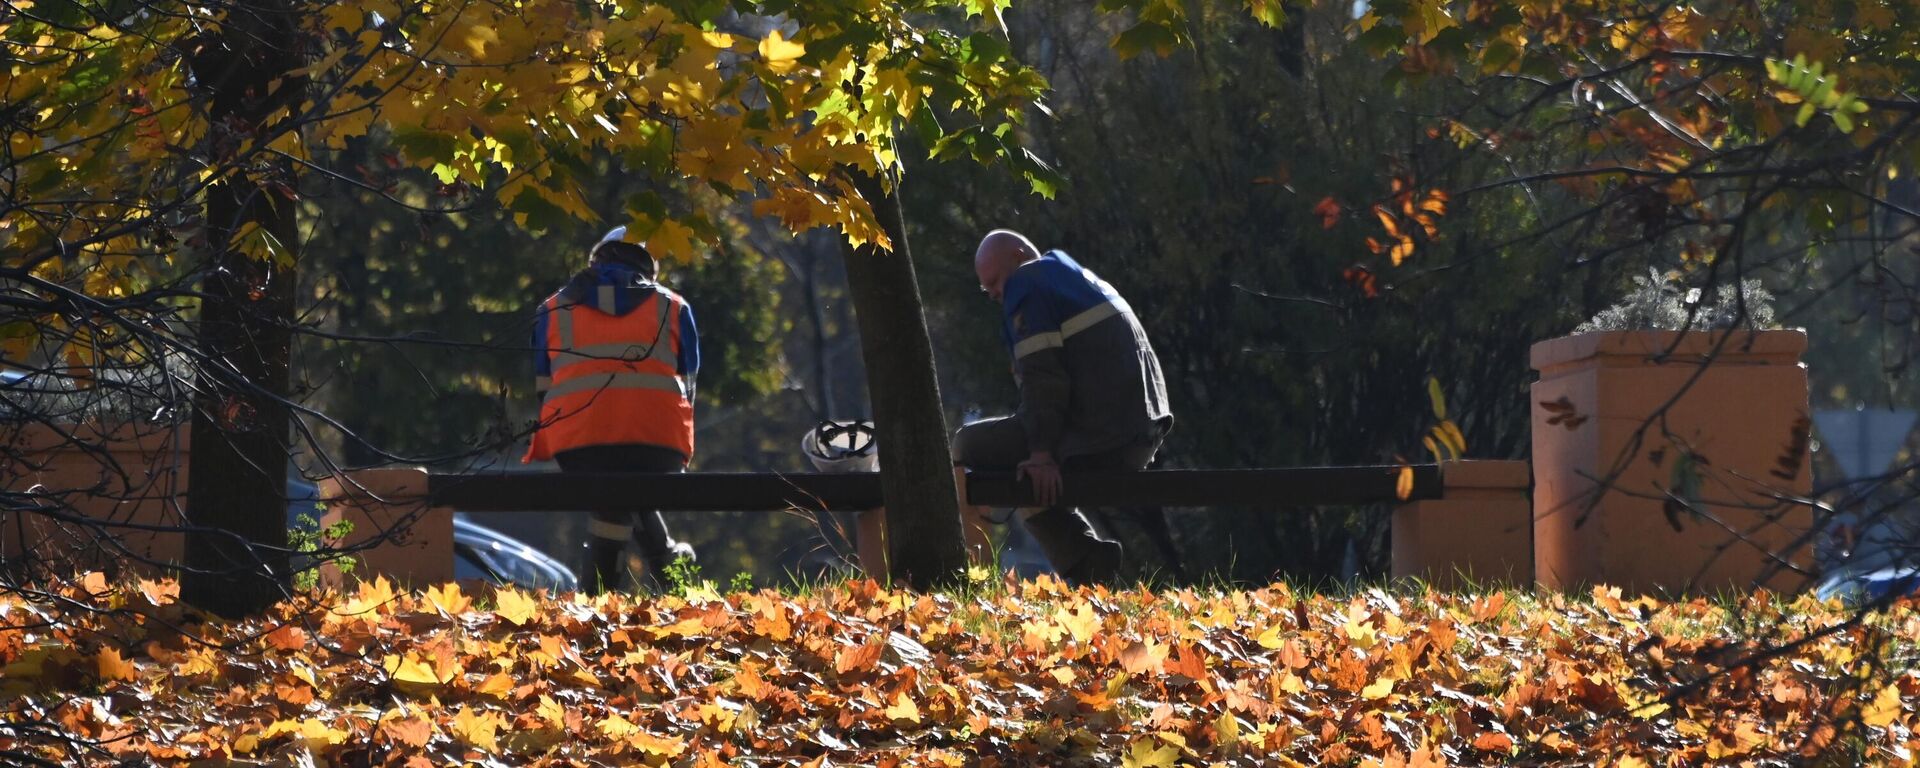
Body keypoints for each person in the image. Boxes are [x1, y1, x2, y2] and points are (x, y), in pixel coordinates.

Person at [952, 229, 1173, 585]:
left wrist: (1041, 453)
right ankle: (1087, 563)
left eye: (994, 281)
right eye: (986, 288)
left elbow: (1043, 378)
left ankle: (965, 577)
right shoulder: (1070, 275)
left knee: (966, 445)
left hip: (1102, 434)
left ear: (1020, 255)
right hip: (1139, 433)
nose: (993, 293)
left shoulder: (1027, 282)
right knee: (1020, 464)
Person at [524, 226, 700, 593]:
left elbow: (544, 387)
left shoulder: (552, 309)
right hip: (659, 444)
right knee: (629, 487)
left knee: (613, 504)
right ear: (648, 265)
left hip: (577, 443)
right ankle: (667, 567)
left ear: (597, 259)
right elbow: (689, 387)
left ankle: (597, 601)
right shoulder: (674, 307)